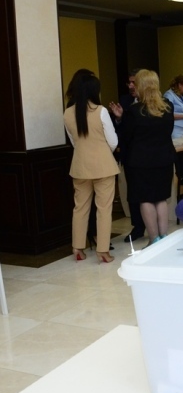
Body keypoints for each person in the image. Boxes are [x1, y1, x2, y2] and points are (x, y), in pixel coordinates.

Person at [63, 73, 119, 263]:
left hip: (79, 166)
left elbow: (74, 142)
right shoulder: (100, 111)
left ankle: (77, 248)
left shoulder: (67, 113)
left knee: (80, 208)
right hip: (103, 166)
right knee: (103, 209)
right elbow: (113, 141)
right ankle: (103, 251)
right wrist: (103, 151)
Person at [122, 69, 176, 246]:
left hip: (141, 162)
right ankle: (164, 236)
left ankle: (153, 239)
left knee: (146, 199)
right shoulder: (168, 107)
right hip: (164, 159)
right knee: (161, 198)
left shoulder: (134, 111)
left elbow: (127, 137)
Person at [108, 69, 146, 243]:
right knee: (133, 192)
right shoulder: (124, 101)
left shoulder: (151, 102)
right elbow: (119, 129)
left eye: (134, 82)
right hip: (130, 154)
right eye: (129, 83)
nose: (131, 86)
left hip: (148, 154)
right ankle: (138, 226)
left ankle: (154, 224)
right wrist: (118, 119)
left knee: (150, 193)